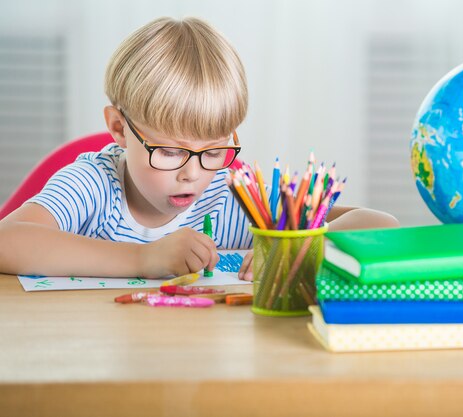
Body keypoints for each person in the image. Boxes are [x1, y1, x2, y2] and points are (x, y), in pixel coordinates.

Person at [0, 17, 398, 280]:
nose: (192, 173)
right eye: (170, 151)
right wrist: (143, 260)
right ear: (119, 129)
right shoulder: (93, 185)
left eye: (212, 151)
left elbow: (379, 224)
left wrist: (300, 250)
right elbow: (7, 241)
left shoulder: (231, 196)